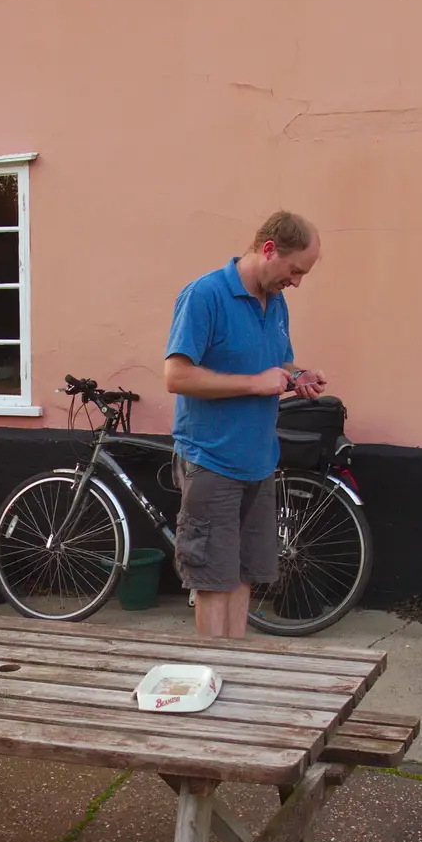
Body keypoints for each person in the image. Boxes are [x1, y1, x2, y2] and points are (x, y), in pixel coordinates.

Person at [163, 210, 327, 639]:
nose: (296, 281)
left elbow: (277, 361)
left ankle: (234, 675)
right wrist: (255, 384)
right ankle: (210, 677)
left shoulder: (276, 303)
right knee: (213, 582)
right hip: (212, 460)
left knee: (243, 577)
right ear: (269, 249)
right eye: (294, 270)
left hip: (259, 461)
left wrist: (296, 374)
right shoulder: (205, 295)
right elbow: (176, 376)